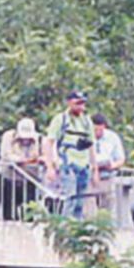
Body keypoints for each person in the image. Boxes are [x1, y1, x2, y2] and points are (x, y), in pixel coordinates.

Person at [44, 90, 95, 218]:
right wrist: (50, 166)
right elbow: (49, 142)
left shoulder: (86, 121)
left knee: (80, 200)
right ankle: (65, 225)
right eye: (77, 103)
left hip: (83, 164)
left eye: (82, 104)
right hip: (67, 163)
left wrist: (95, 168)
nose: (80, 107)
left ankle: (77, 226)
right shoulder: (61, 119)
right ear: (69, 103)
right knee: (69, 198)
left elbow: (91, 145)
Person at [0, 117, 46, 220]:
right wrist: (26, 160)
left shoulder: (40, 139)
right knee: (9, 212)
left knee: (30, 212)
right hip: (10, 179)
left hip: (31, 180)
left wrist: (39, 160)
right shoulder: (8, 137)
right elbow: (7, 155)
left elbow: (46, 156)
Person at [90, 113, 126, 216]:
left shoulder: (112, 138)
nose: (97, 133)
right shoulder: (86, 137)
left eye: (99, 130)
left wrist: (112, 166)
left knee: (106, 207)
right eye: (95, 130)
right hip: (89, 176)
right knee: (89, 207)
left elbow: (121, 158)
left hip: (107, 176)